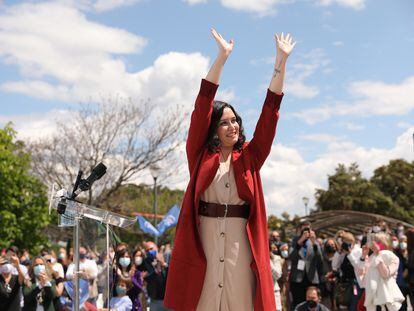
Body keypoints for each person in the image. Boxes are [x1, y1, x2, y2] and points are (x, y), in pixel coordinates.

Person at [164, 28, 295, 311]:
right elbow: (202, 105)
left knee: (241, 302)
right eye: (224, 122)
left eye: (235, 120)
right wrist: (221, 58)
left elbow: (270, 112)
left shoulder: (251, 156)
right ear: (214, 128)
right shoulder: (199, 154)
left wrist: (280, 63)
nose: (232, 126)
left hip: (240, 243)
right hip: (205, 242)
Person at [359, 232, 404, 311]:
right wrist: (363, 256)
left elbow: (385, 274)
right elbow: (362, 275)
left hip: (387, 299)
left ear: (386, 243)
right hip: (373, 299)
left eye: (378, 242)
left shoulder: (393, 258)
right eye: (375, 241)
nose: (375, 244)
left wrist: (378, 255)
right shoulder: (372, 257)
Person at [289, 221, 323, 309]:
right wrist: (300, 242)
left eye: (308, 228)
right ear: (300, 230)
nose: (306, 231)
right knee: (298, 304)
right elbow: (291, 256)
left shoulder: (314, 241)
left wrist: (314, 243)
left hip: (311, 278)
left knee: (312, 305)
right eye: (304, 229)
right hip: (297, 279)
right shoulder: (295, 240)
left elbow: (320, 258)